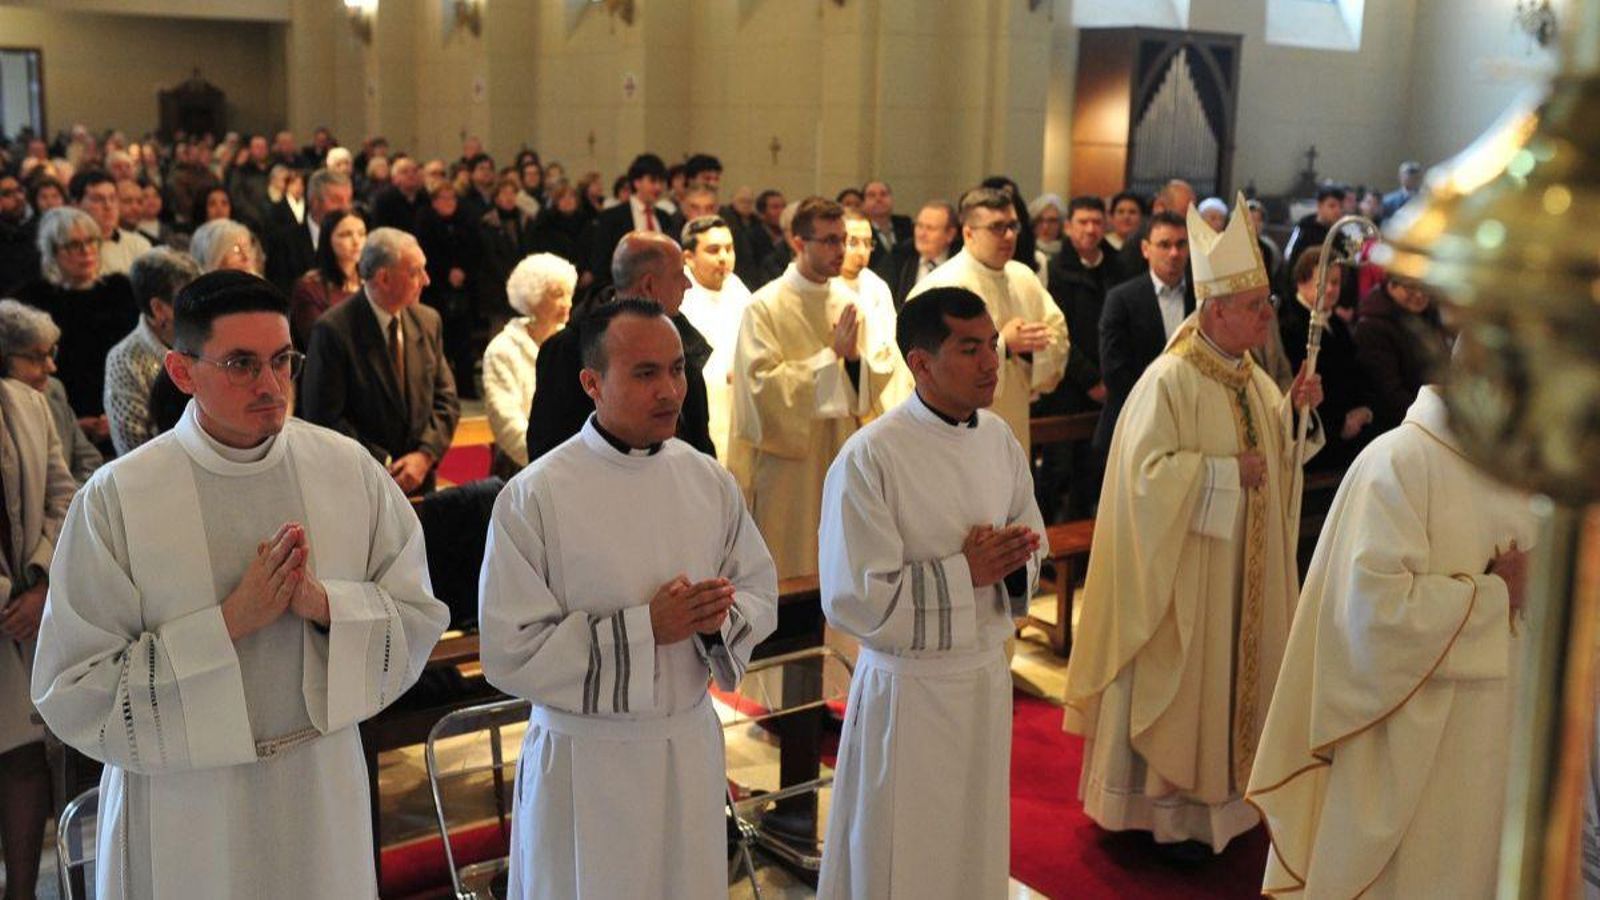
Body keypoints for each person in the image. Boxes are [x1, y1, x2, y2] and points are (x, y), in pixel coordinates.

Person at [30, 269, 449, 899]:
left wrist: (325, 604)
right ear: (182, 372)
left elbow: (418, 615)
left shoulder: (346, 468)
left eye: (283, 361)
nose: (271, 386)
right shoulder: (120, 497)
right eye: (241, 364)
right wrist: (228, 622)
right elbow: (73, 687)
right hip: (188, 799)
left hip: (318, 779)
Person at [478, 298, 777, 899]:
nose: (670, 390)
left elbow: (759, 590)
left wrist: (715, 620)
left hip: (687, 747)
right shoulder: (535, 496)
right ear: (592, 382)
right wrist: (646, 628)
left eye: (677, 370)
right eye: (645, 373)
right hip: (588, 762)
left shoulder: (707, 480)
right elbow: (508, 652)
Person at [1063, 195, 1325, 856]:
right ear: (1213, 312)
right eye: (1255, 307)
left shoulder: (1252, 378)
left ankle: (1225, 806)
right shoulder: (1169, 381)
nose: (1268, 319)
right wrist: (1217, 473)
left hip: (1243, 572)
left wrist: (1296, 413)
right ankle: (1161, 814)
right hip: (1187, 582)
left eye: (1267, 304)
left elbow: (1280, 464)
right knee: (1185, 684)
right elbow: (1142, 481)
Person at [1248, 378, 1536, 898]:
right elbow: (1370, 621)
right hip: (1413, 757)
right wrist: (1495, 596)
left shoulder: (1515, 475)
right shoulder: (1398, 463)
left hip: (1491, 745)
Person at [816, 286, 1045, 899]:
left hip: (981, 677)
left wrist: (1013, 559)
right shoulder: (871, 456)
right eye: (970, 349)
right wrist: (961, 572)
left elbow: (1032, 538)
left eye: (992, 345)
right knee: (903, 847)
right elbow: (854, 596)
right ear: (920, 362)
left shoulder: (998, 439)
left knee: (972, 839)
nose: (992, 363)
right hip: (909, 691)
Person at [733, 196, 898, 579]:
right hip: (788, 466)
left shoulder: (850, 302)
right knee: (789, 562)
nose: (840, 250)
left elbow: (873, 381)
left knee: (841, 563)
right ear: (797, 242)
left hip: (840, 449)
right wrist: (830, 357)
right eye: (828, 241)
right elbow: (759, 389)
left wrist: (854, 361)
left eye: (842, 239)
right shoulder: (764, 306)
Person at [0, 327, 76, 900]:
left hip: (28, 604)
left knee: (24, 757)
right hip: (8, 604)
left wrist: (44, 582)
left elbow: (62, 494)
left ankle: (24, 893)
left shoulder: (27, 404)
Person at [525, 232, 714, 463]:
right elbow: (548, 451)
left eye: (676, 370)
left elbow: (699, 439)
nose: (688, 285)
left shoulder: (683, 339)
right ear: (649, 286)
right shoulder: (568, 351)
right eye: (679, 275)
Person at [301, 228, 462, 495]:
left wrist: (424, 456)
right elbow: (324, 418)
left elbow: (446, 400)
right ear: (384, 278)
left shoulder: (427, 320)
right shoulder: (333, 330)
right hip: (362, 484)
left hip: (421, 481)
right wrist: (386, 464)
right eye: (415, 272)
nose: (426, 280)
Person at [910, 186, 1068, 455]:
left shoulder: (1024, 277)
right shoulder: (942, 287)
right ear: (969, 233)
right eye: (997, 227)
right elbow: (930, 366)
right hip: (956, 431)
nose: (1009, 236)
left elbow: (1057, 336)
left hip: (1014, 420)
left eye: (1012, 226)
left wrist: (1031, 352)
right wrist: (1004, 345)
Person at [14, 207, 139, 445]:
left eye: (91, 241)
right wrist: (71, 420)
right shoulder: (33, 301)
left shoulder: (121, 291)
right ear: (53, 252)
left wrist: (114, 413)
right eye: (73, 245)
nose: (86, 251)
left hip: (120, 411)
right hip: (58, 418)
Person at [1093, 210, 1194, 459]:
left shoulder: (1202, 299)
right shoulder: (1122, 298)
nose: (1174, 253)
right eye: (1164, 245)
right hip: (1133, 421)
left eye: (1181, 244)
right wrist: (1161, 407)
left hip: (1189, 425)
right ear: (1146, 249)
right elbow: (1115, 371)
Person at [1279, 248, 1375, 472]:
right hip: (1317, 438)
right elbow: (1299, 387)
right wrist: (1342, 423)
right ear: (1302, 282)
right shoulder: (1289, 326)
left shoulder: (1338, 325)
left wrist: (1365, 409)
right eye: (1325, 282)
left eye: (1336, 282)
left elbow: (1357, 374)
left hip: (1352, 428)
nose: (1332, 289)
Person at [483, 253, 575, 472]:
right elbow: (506, 421)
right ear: (532, 298)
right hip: (522, 467)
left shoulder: (571, 343)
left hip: (571, 464)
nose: (568, 303)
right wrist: (547, 464)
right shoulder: (503, 349)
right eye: (557, 295)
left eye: (569, 293)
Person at [104, 247, 200, 457]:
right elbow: (133, 450)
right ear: (158, 308)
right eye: (188, 300)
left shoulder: (210, 338)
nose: (201, 308)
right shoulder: (125, 360)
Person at [677, 215, 754, 475]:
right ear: (688, 257)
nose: (724, 257)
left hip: (740, 403)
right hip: (703, 405)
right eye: (713, 250)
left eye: (729, 249)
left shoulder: (738, 289)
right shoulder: (680, 295)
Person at [0, 300, 102, 482]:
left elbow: (89, 460)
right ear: (3, 361)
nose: (51, 367)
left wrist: (71, 503)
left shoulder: (53, 390)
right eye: (37, 357)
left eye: (50, 353)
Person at [1356, 273, 1452, 433]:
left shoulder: (1428, 314)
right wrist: (1436, 416)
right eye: (1411, 287)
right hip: (1399, 425)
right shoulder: (1372, 326)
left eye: (1424, 287)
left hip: (1431, 412)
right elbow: (1389, 394)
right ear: (1391, 285)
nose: (1420, 294)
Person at [588, 153, 680, 292]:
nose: (658, 188)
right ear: (637, 182)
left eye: (661, 182)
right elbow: (601, 264)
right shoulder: (612, 217)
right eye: (653, 181)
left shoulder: (664, 218)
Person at [289, 209, 367, 350]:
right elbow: (318, 340)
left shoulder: (370, 282)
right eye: (346, 235)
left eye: (361, 234)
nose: (357, 241)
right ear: (328, 239)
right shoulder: (309, 287)